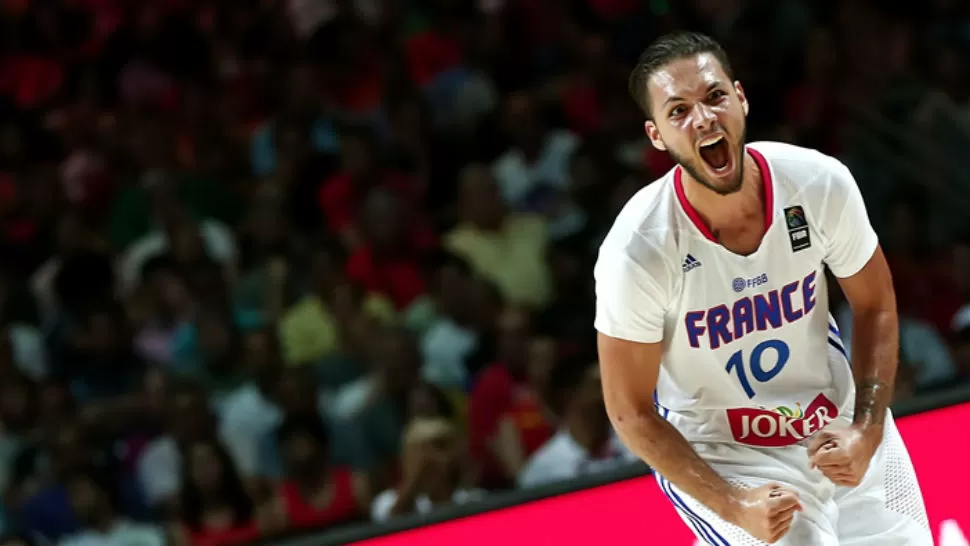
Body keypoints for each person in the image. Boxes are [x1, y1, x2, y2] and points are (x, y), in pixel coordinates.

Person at [595, 32, 931, 545]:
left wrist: (866, 427)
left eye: (713, 97)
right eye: (678, 111)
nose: (703, 119)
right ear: (656, 135)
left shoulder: (817, 183)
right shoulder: (638, 249)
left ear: (741, 97)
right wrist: (731, 502)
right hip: (729, 454)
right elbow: (629, 411)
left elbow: (875, 306)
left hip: (835, 416)